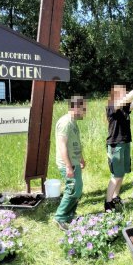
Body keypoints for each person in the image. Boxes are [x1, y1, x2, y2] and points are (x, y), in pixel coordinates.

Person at [105, 80, 133, 211]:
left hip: (125, 143)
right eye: (123, 93)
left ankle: (116, 197)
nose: (126, 94)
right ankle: (108, 203)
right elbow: (128, 99)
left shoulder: (125, 108)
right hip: (115, 145)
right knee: (116, 175)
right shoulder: (112, 106)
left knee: (122, 173)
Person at [53, 95, 86, 230]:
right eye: (83, 109)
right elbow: (62, 145)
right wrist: (68, 166)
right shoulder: (65, 123)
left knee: (77, 189)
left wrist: (81, 158)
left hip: (74, 162)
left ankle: (70, 215)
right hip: (68, 164)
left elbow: (75, 143)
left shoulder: (73, 122)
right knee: (72, 190)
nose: (84, 112)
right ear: (75, 107)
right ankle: (60, 217)